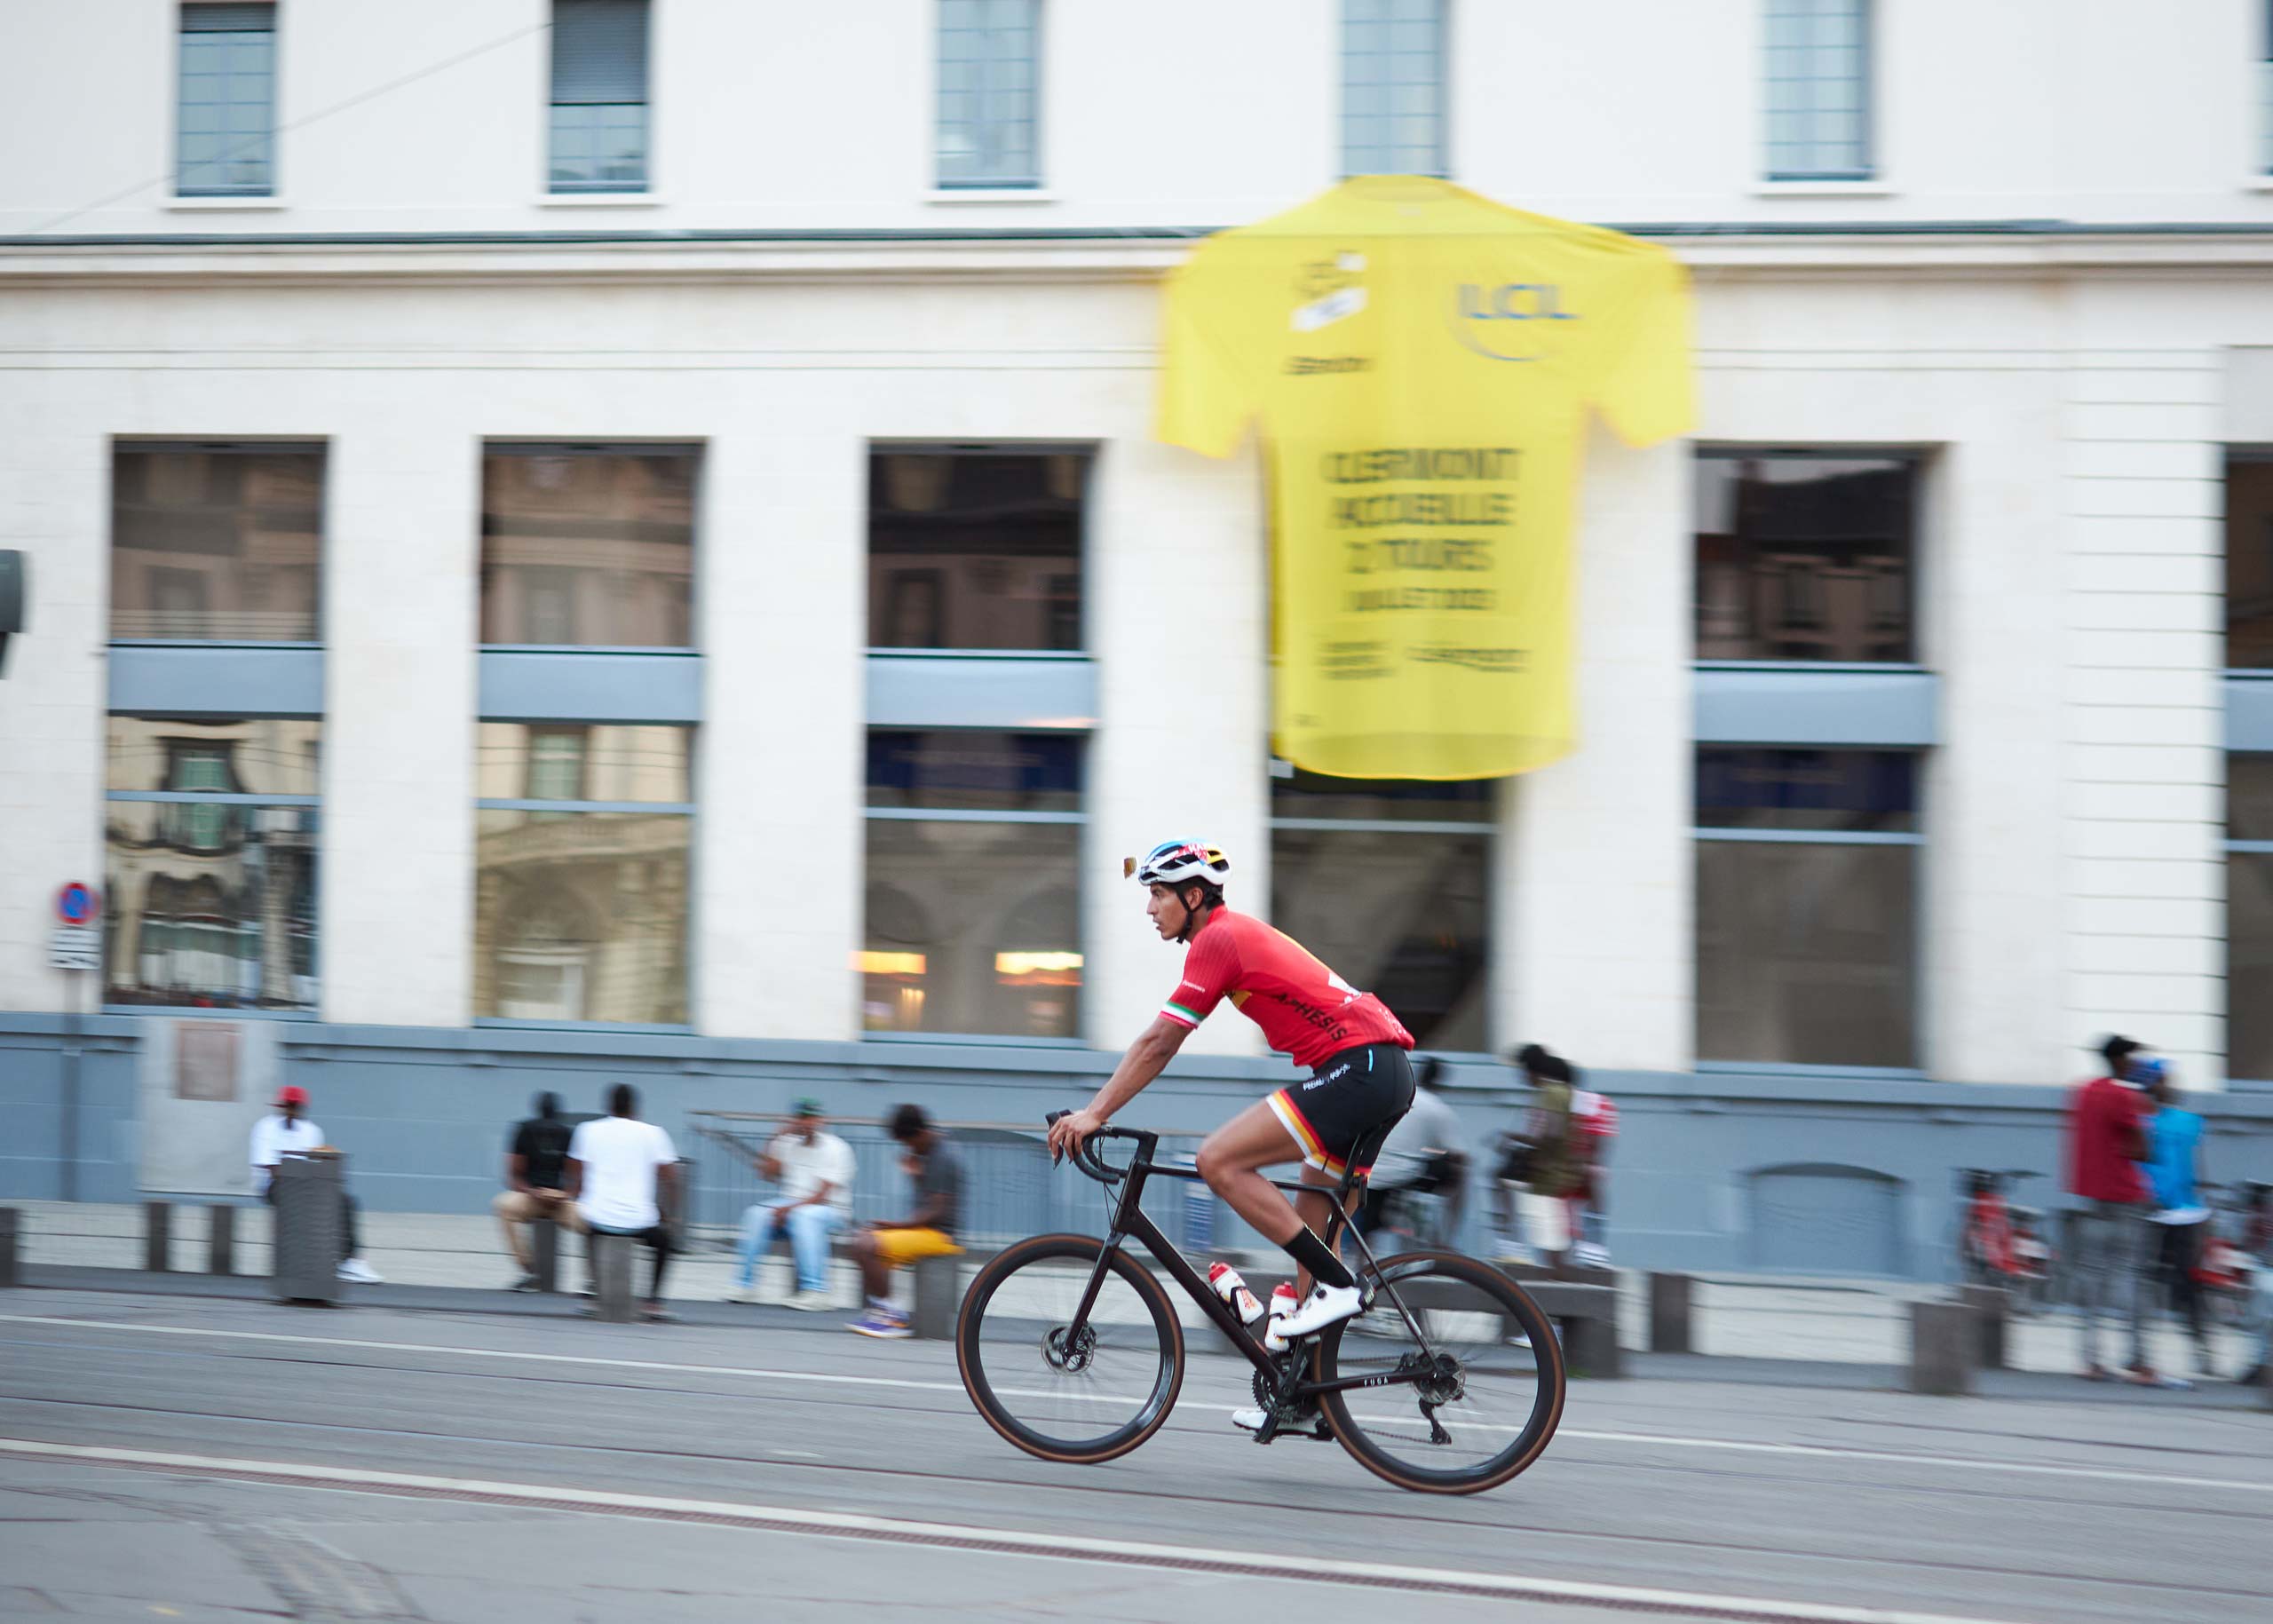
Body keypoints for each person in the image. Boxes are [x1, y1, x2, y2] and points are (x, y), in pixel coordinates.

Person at [1046, 839, 1415, 1436]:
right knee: (1313, 1236)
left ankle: (1342, 1287)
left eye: (1159, 894)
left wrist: (1095, 1112)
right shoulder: (1228, 935)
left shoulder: (1218, 938)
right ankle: (1303, 1398)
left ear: (1194, 896)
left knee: (1218, 1160)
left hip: (1360, 1069)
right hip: (1381, 1073)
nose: (1150, 908)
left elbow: (1159, 1042)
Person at [2063, 1034, 2171, 1386]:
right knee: (2129, 1276)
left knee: (2092, 1275)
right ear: (2122, 1061)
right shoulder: (2125, 1097)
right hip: (2126, 1196)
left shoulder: (2083, 1093)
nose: (2138, 1065)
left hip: (2092, 1196)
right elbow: (2144, 1151)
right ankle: (2139, 1360)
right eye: (2135, 1059)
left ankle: (2091, 1360)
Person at [846, 1105, 964, 1340]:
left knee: (865, 1245)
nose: (907, 1147)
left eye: (907, 1142)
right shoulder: (928, 1152)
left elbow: (938, 1210)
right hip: (926, 1230)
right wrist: (916, 1176)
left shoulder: (944, 1156)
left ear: (919, 1133)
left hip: (941, 1235)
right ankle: (882, 1310)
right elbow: (930, 1197)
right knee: (862, 1239)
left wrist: (897, 1226)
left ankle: (893, 1316)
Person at [564, 1082, 678, 1322]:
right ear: (635, 1108)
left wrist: (578, 1196)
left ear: (608, 1106)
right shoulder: (654, 1133)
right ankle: (653, 1302)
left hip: (597, 1218)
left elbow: (575, 1174)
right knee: (665, 1242)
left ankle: (593, 1292)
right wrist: (668, 1214)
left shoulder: (587, 1130)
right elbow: (671, 1180)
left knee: (588, 1229)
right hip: (640, 1221)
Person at [730, 1097, 856, 1309]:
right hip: (791, 1205)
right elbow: (767, 1174)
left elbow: (822, 1196)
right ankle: (745, 1285)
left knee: (804, 1216)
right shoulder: (787, 1143)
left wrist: (788, 1209)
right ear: (794, 1120)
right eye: (802, 1118)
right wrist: (774, 1138)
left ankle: (817, 1291)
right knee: (755, 1213)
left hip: (831, 1209)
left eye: (812, 1118)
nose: (807, 1123)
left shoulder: (836, 1148)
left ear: (821, 1120)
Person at [249, 1083, 382, 1284]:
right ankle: (302, 1264)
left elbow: (316, 1163)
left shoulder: (311, 1131)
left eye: (295, 1106)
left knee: (345, 1201)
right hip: (273, 1185)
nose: (291, 1110)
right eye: (288, 1105)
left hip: (306, 1184)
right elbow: (271, 1167)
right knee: (304, 1202)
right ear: (281, 1106)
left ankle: (349, 1261)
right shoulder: (266, 1127)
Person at [2139, 1059, 2214, 1382]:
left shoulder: (2182, 1121)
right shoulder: (2146, 1122)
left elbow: (2198, 1166)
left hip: (2181, 1213)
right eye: (2163, 1079)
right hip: (2161, 1213)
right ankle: (2148, 1351)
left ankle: (2200, 1347)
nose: (2168, 1084)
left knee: (2182, 1284)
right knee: (2161, 1283)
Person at [1353, 1055, 1466, 1250]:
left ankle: (1362, 1257)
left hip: (1370, 1175)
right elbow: (1460, 1156)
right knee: (1460, 1173)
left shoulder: (1391, 1097)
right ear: (1440, 1082)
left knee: (1366, 1228)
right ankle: (1447, 1238)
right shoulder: (1437, 1108)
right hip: (1406, 1176)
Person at [495, 1090, 581, 1291]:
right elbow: (577, 1176)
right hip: (545, 1199)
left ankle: (530, 1270)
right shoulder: (566, 1133)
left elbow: (514, 1174)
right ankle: (533, 1271)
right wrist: (565, 1194)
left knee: (503, 1207)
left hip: (541, 1198)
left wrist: (537, 1192)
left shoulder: (526, 1129)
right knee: (591, 1223)